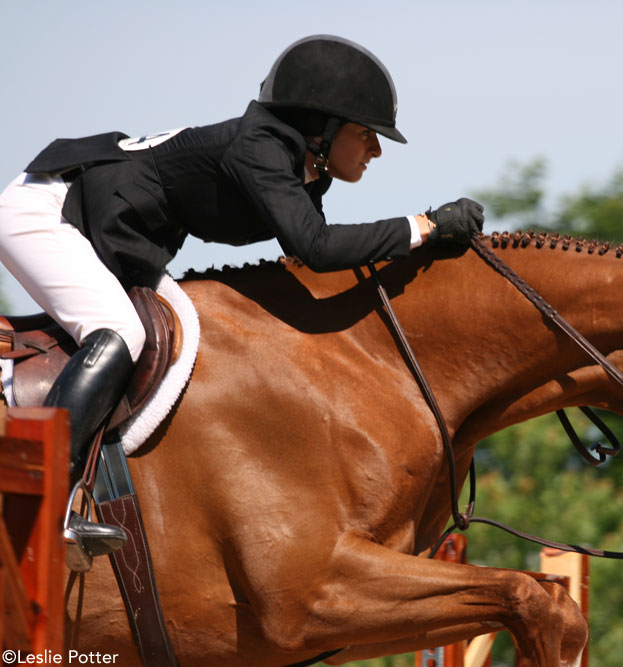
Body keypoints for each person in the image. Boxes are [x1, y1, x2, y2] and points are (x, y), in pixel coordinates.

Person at [0, 34, 485, 568]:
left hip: (104, 227)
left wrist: (426, 238)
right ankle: (42, 496)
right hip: (44, 211)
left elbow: (313, 252)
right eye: (366, 133)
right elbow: (318, 250)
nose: (376, 149)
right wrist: (423, 227)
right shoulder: (260, 150)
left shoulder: (298, 166)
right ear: (322, 127)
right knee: (122, 331)